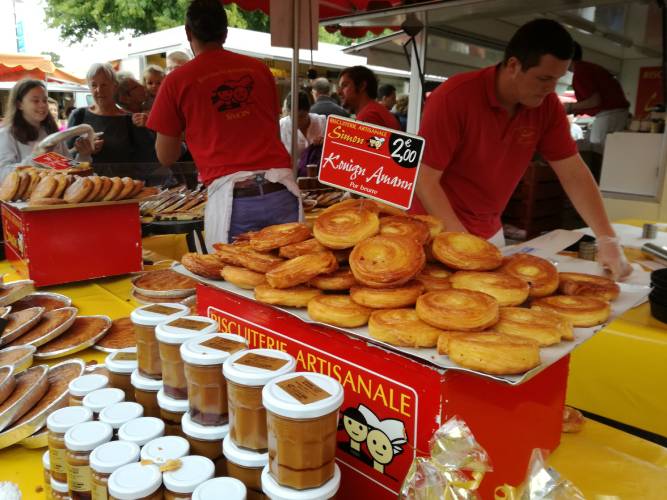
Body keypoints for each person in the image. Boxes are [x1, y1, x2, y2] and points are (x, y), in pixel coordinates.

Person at [416, 18, 631, 280]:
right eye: (543, 78)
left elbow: (573, 172)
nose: (551, 89)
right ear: (514, 65)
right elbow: (425, 179)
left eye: (558, 79)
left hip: (489, 229)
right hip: (435, 230)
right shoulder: (454, 98)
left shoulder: (547, 106)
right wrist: (461, 245)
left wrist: (607, 237)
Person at [148, 0, 299, 247]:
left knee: (235, 281)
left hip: (235, 201)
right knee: (286, 281)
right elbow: (266, 123)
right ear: (225, 33)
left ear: (188, 33)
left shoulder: (177, 81)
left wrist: (193, 131)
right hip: (282, 191)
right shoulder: (259, 70)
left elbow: (166, 156)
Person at [0, 79, 92, 179]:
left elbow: (69, 171)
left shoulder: (51, 133)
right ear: (19, 104)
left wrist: (83, 155)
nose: (43, 105)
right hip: (26, 195)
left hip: (54, 194)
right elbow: (3, 175)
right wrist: (35, 158)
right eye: (36, 100)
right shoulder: (6, 135)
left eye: (45, 100)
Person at [565, 42, 629, 149]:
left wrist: (570, 107)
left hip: (609, 115)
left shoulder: (581, 71)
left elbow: (594, 101)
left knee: (598, 153)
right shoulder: (588, 68)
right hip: (615, 114)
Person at [280, 91, 326, 163]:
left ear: (308, 111)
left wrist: (325, 142)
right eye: (293, 117)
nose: (297, 121)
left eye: (301, 117)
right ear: (288, 113)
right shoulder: (281, 126)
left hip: (316, 171)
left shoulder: (322, 122)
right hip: (291, 172)